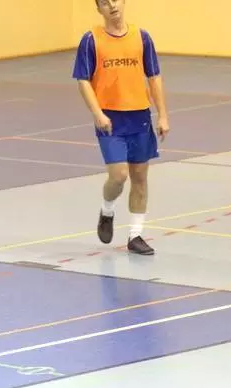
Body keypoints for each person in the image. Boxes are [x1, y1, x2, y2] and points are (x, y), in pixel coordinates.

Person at [73, 0, 170, 256]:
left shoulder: (142, 37)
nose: (112, 6)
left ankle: (135, 235)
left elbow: (154, 76)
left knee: (140, 177)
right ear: (99, 9)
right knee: (118, 176)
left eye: (115, 0)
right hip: (110, 119)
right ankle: (107, 211)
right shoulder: (91, 40)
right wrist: (97, 113)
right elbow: (83, 80)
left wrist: (162, 115)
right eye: (105, 3)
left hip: (139, 116)